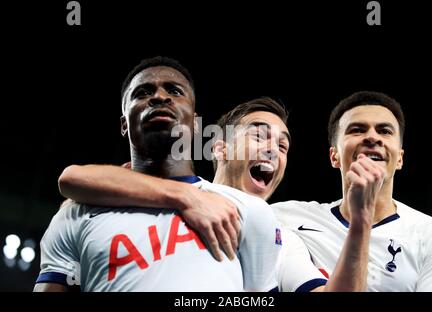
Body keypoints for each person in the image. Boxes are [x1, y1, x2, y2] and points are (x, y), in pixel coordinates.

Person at [55, 92, 384, 292]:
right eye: (259, 136)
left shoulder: (281, 236)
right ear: (220, 148)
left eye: (282, 145)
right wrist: (186, 197)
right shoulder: (159, 194)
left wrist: (361, 220)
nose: (273, 150)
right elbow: (74, 178)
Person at [34, 56, 281, 292]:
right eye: (142, 93)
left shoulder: (248, 210)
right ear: (124, 124)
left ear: (196, 123)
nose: (159, 97)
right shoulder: (75, 214)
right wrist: (186, 195)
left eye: (174, 91)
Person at [272, 91, 432, 291]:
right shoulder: (286, 217)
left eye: (385, 131)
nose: (372, 137)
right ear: (334, 156)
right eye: (357, 130)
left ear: (399, 159)